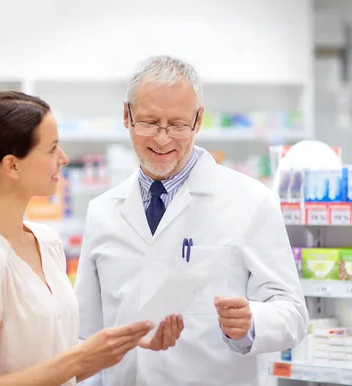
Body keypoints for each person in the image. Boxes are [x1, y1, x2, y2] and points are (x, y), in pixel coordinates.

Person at [74, 56, 309, 386]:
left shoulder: (250, 201)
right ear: (126, 116)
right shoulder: (102, 211)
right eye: (149, 122)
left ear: (198, 120)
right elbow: (86, 332)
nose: (162, 139)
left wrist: (251, 322)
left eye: (177, 125)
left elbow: (294, 314)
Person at [0, 91, 183, 386]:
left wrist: (122, 345)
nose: (64, 158)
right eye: (52, 148)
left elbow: (55, 367)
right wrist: (80, 357)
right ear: (12, 165)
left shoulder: (46, 242)